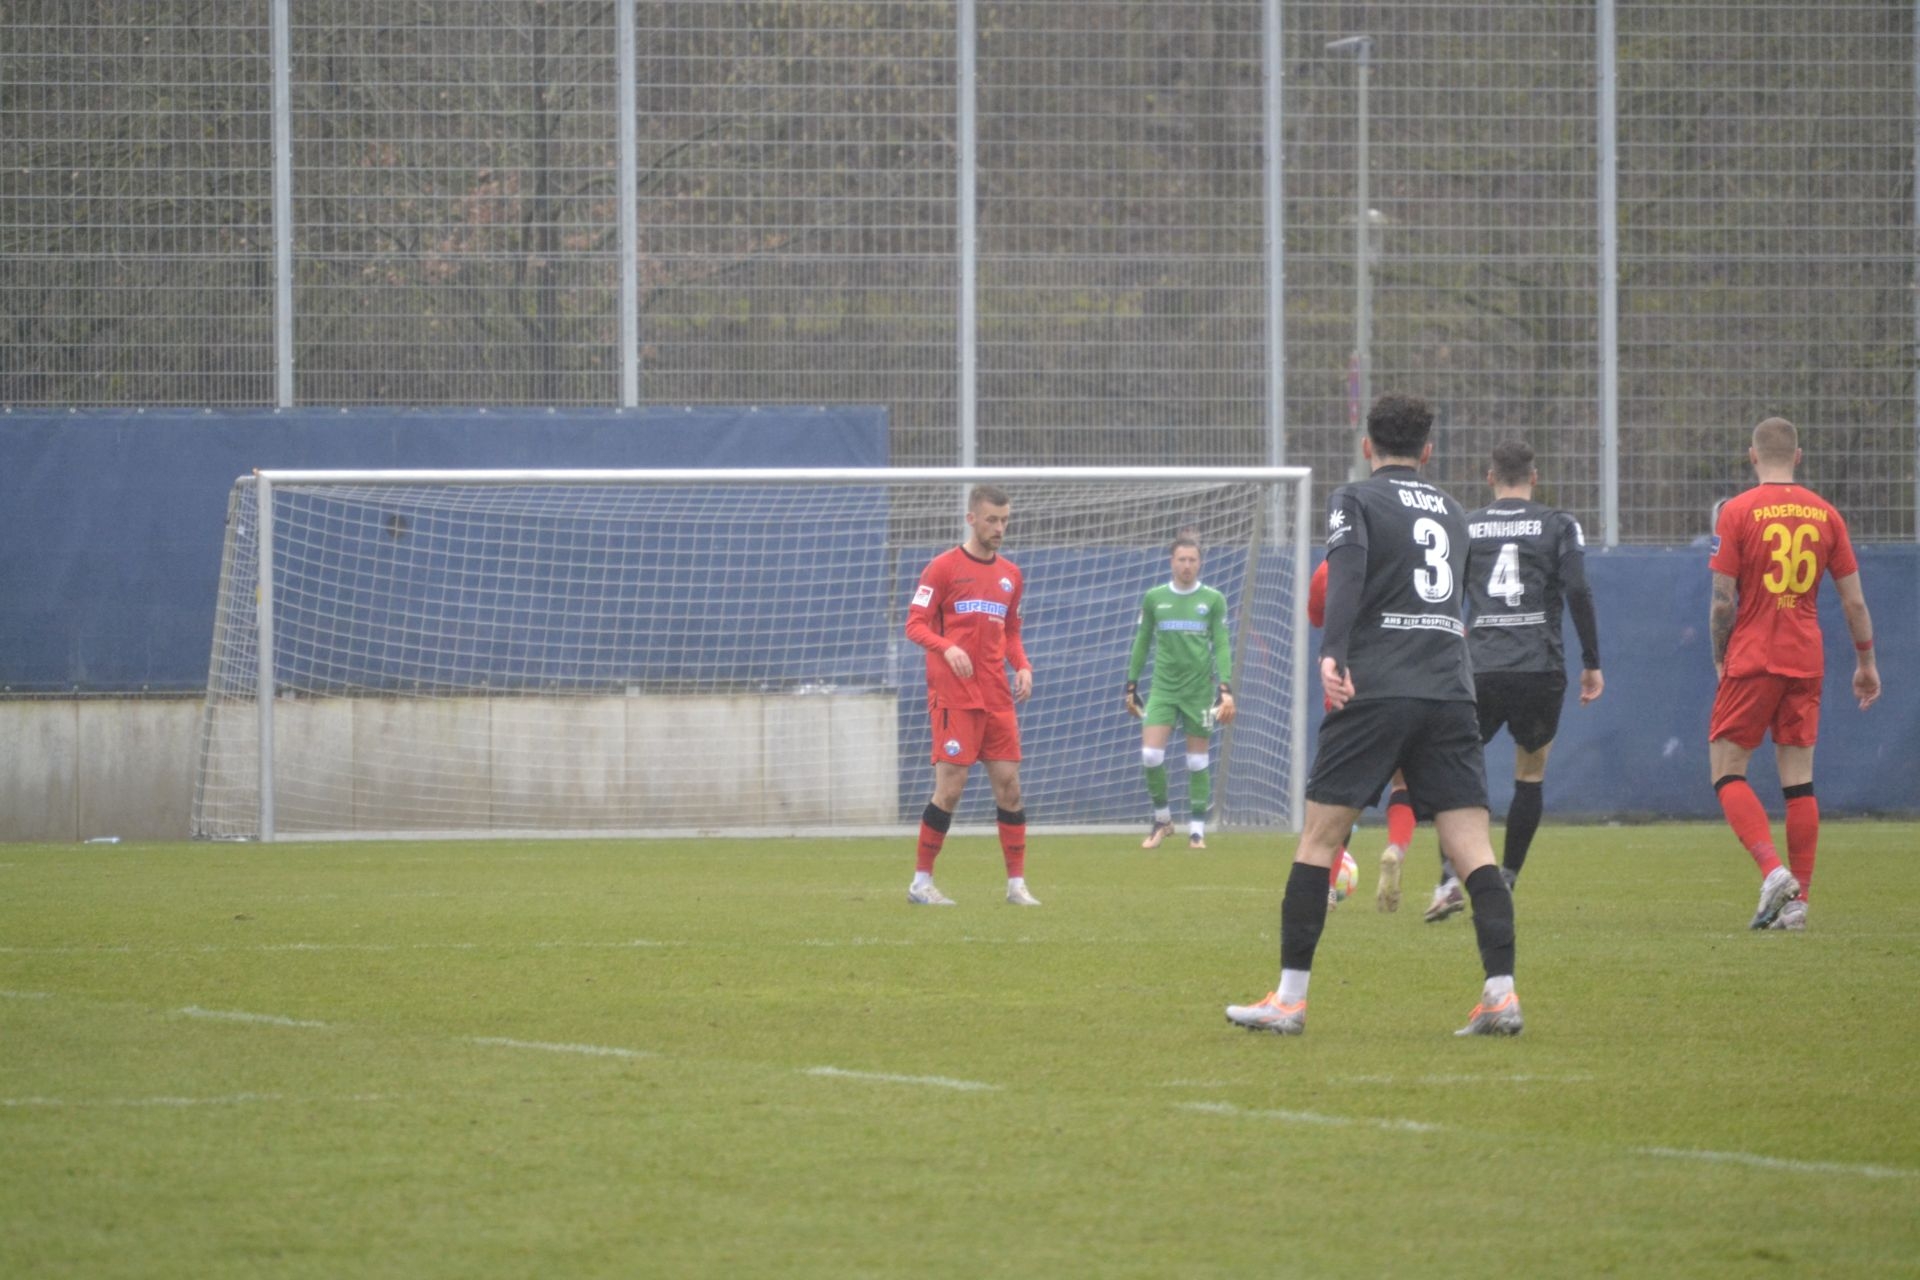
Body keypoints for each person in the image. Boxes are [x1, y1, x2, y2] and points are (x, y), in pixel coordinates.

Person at [1226, 393, 1522, 1037]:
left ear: (1368, 447)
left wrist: (1332, 652)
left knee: (1319, 839)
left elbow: (1347, 574)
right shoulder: (1454, 511)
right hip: (1449, 688)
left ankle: (1289, 1000)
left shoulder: (1354, 499)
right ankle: (1501, 994)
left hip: (1379, 686)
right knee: (1473, 847)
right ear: (1428, 451)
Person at [1707, 417, 1879, 931]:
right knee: (1799, 781)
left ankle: (1773, 871)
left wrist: (1720, 657)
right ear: (1798, 457)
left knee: (1726, 768)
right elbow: (1854, 602)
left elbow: (1722, 601)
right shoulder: (1826, 514)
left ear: (1752, 456)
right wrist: (1866, 662)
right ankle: (1798, 903)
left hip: (1754, 655)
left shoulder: (1737, 511)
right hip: (1805, 658)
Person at [1422, 438, 1604, 922]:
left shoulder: (1466, 525)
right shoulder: (1559, 524)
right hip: (1538, 666)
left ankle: (1448, 881)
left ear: (1490, 478)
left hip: (1478, 666)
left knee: (1456, 770)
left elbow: (1444, 595)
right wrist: (1591, 660)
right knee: (1530, 773)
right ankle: (1506, 878)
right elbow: (1578, 589)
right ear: (1534, 477)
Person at [902, 484, 1039, 907]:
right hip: (954, 696)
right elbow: (914, 624)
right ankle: (920, 883)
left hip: (996, 696)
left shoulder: (1011, 575)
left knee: (1009, 787)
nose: (999, 528)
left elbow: (1010, 631)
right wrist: (948, 647)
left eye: (1005, 521)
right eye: (992, 520)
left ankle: (1016, 885)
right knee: (951, 789)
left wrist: (1023, 665)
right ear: (971, 519)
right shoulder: (942, 568)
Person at [1308, 558, 1417, 908]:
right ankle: (1395, 847)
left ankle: (1326, 887)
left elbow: (1317, 617)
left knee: (1338, 800)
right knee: (1403, 783)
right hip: (1402, 684)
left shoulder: (1329, 568)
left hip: (1347, 691)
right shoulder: (1403, 560)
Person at [1126, 535, 1236, 850]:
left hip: (1199, 690)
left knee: (1197, 760)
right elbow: (1142, 641)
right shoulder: (1155, 598)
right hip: (1163, 688)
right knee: (1150, 755)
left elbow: (1222, 643)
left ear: (1200, 563)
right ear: (1171, 562)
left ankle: (1197, 831)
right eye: (1181, 559)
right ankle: (1163, 820)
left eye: (1192, 560)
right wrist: (1131, 684)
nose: (1187, 565)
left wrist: (1225, 687)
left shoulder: (1213, 599)